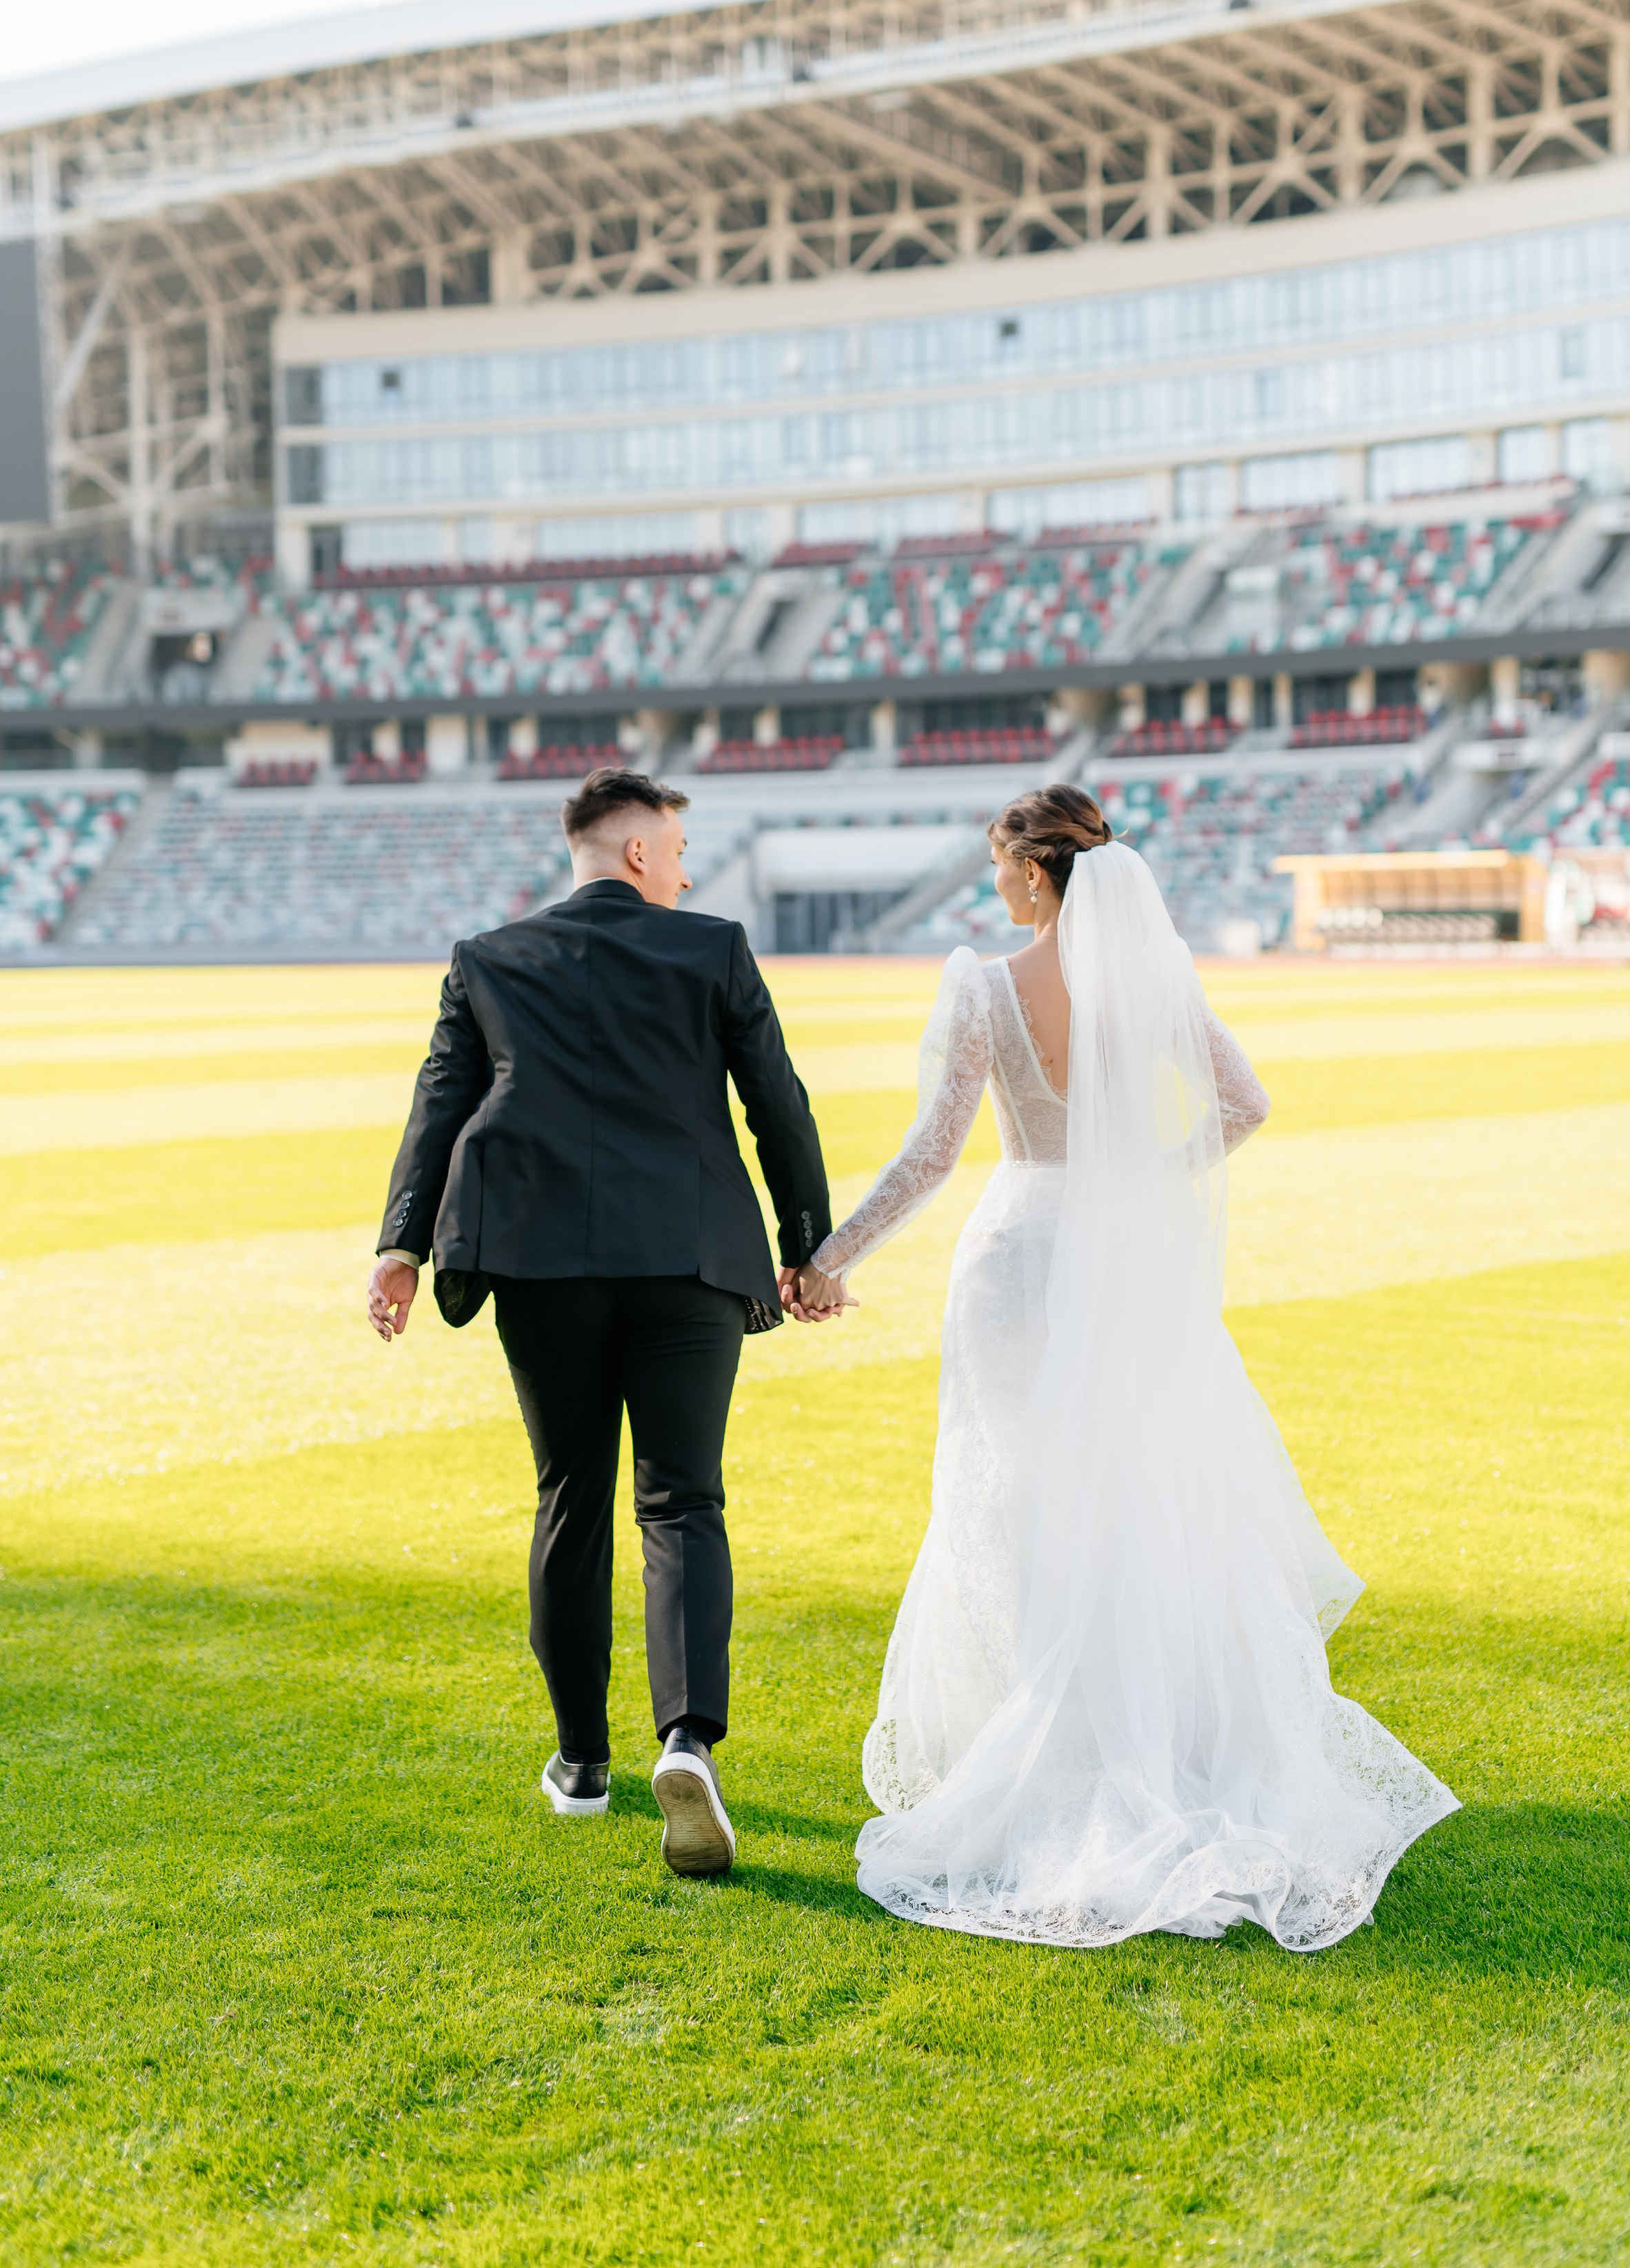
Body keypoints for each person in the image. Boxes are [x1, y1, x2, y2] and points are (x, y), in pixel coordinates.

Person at [788, 784, 1458, 1951]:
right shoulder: (1153, 979)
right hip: (1123, 1259)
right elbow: (1243, 1104)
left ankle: (1060, 1760)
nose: (995, 884)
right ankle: (1162, 1751)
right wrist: (1142, 1181)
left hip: (1016, 1261)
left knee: (1020, 1507)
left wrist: (828, 1256)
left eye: (1003, 866)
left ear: (1033, 877)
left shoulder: (985, 986)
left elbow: (933, 1154)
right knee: (1140, 1499)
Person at [368, 767, 830, 1879]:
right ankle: (688, 1742)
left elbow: (441, 1101)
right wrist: (807, 1247)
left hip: (539, 1261)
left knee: (570, 1496)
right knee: (683, 1500)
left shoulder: (488, 958)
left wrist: (400, 1247)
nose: (683, 866)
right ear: (635, 852)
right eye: (675, 847)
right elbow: (777, 1098)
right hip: (687, 1259)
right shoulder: (712, 946)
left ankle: (581, 1764)